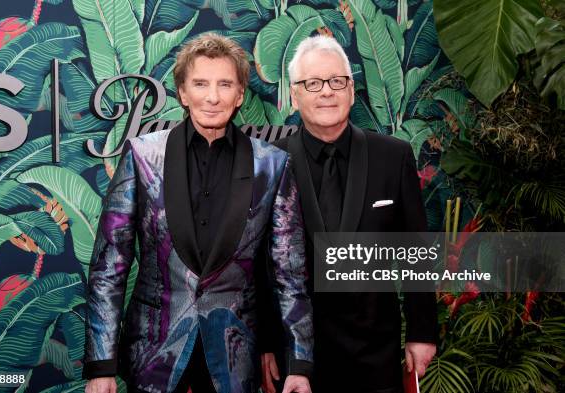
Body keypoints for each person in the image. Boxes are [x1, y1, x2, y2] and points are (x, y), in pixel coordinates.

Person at [83, 33, 313, 393]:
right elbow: (109, 267)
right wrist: (101, 366)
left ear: (239, 95)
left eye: (225, 84)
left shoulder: (271, 164)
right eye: (200, 83)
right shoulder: (144, 156)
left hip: (234, 359)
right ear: (182, 92)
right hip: (153, 354)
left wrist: (299, 363)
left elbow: (290, 273)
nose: (212, 96)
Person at [260, 35, 437, 393]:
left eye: (336, 81)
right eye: (313, 83)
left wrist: (421, 332)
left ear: (351, 90)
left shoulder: (393, 156)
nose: (326, 91)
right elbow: (260, 265)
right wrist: (265, 343)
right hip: (298, 356)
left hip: (375, 352)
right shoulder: (270, 162)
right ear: (295, 96)